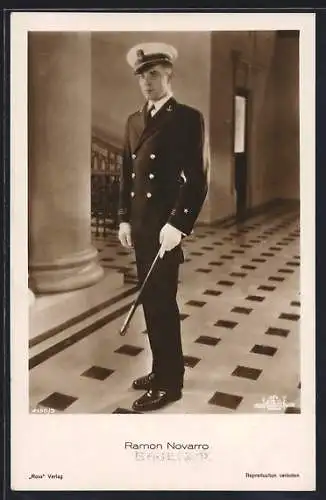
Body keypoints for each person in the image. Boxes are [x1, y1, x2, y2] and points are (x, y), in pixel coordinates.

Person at [118, 42, 208, 412]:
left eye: (153, 74)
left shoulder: (187, 117)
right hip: (141, 228)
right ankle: (161, 369)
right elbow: (127, 174)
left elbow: (197, 180)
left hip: (165, 231)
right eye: (141, 75)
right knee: (151, 302)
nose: (146, 81)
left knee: (161, 304)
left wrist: (178, 224)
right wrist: (123, 216)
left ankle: (169, 382)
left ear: (168, 75)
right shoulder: (133, 120)